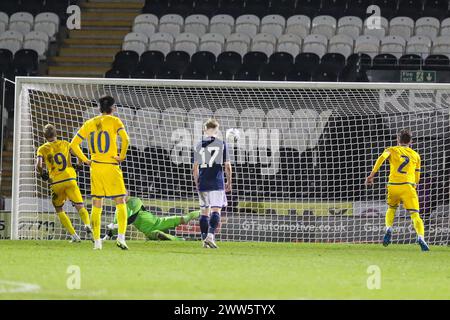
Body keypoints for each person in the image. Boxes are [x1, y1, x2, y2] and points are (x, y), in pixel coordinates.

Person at [69, 95, 130, 250]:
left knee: (97, 204)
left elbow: (73, 145)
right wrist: (121, 156)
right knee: (120, 201)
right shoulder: (115, 121)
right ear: (113, 108)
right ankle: (121, 238)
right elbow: (126, 140)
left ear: (99, 108)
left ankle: (97, 242)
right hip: (111, 166)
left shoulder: (90, 123)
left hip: (95, 167)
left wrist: (86, 160)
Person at [366, 129, 429, 251]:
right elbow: (417, 176)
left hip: (393, 186)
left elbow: (381, 158)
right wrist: (414, 185)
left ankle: (389, 228)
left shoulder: (391, 150)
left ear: (397, 139)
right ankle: (421, 237)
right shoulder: (416, 155)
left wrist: (372, 175)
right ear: (410, 141)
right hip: (408, 186)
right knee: (415, 215)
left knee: (391, 209)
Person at [36, 124, 91, 242]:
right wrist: (78, 165)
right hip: (70, 178)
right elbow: (79, 156)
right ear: (56, 134)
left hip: (56, 182)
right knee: (80, 206)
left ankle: (74, 236)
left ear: (44, 136)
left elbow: (38, 165)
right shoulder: (66, 144)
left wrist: (42, 174)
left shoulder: (42, 148)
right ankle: (87, 225)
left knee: (59, 208)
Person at [193, 118, 232, 249]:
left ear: (205, 129)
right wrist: (229, 181)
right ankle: (210, 236)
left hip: (203, 181)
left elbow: (195, 167)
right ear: (217, 130)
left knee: (204, 212)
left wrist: (196, 182)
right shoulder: (222, 144)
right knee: (216, 210)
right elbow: (227, 166)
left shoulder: (199, 145)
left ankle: (204, 240)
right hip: (216, 181)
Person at [103, 197, 200, 241]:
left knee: (185, 218)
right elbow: (114, 229)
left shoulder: (134, 200)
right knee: (159, 235)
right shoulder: (118, 211)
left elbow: (133, 217)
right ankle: (183, 240)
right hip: (148, 231)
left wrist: (116, 225)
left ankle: (203, 212)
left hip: (158, 221)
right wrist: (106, 237)